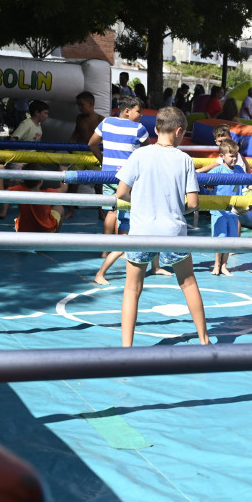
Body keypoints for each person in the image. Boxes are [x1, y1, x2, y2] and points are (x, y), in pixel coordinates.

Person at [117, 106, 209, 348]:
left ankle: (126, 348)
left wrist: (141, 203)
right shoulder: (185, 160)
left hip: (141, 231)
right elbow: (193, 203)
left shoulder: (139, 155)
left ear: (156, 129)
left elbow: (121, 193)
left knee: (132, 289)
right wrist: (175, 209)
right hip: (173, 232)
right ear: (179, 131)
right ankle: (204, 339)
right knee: (188, 283)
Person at [91, 96, 169, 285]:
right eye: (139, 111)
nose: (141, 115)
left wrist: (104, 162)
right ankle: (119, 251)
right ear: (127, 111)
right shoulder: (138, 129)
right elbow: (149, 151)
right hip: (128, 180)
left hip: (108, 176)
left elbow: (91, 144)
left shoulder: (106, 122)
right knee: (130, 222)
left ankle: (107, 249)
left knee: (113, 212)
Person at [0, 100, 50, 219]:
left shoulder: (38, 127)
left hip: (31, 162)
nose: (47, 116)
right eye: (45, 113)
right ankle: (4, 211)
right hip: (20, 161)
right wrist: (4, 155)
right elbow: (14, 139)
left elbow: (35, 145)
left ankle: (33, 211)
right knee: (13, 186)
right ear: (37, 113)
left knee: (34, 186)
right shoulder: (26, 124)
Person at [207, 139, 249, 276]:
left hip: (233, 211)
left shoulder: (239, 170)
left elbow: (247, 184)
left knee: (230, 240)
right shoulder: (217, 171)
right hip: (219, 211)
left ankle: (224, 265)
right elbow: (206, 183)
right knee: (220, 238)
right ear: (222, 157)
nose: (234, 159)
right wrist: (209, 186)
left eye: (236, 156)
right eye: (231, 156)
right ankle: (216, 265)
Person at [67, 91, 105, 219]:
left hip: (94, 153)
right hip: (78, 152)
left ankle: (101, 211)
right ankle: (70, 210)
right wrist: (69, 143)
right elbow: (76, 132)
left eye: (82, 105)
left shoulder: (101, 119)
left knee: (98, 184)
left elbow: (108, 137)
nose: (79, 107)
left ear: (91, 104)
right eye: (78, 105)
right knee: (73, 182)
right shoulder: (79, 118)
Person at [0, 162, 66, 233]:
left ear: (24, 180)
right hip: (46, 230)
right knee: (60, 208)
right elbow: (64, 188)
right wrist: (64, 171)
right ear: (41, 181)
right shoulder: (48, 193)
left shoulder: (20, 190)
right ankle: (55, 235)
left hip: (23, 229)